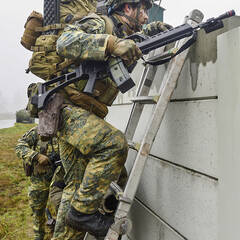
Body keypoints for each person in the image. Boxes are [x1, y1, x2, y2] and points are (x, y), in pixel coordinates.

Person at [53, 0, 171, 238]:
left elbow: (136, 39)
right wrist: (111, 44)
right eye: (144, 11)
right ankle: (82, 214)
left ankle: (70, 226)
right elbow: (64, 42)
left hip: (83, 113)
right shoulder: (99, 24)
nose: (146, 17)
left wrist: (155, 29)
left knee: (76, 189)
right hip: (66, 109)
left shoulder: (123, 33)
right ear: (128, 8)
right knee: (114, 144)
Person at [15, 126, 60, 240]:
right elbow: (19, 147)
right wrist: (37, 156)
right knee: (38, 212)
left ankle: (59, 233)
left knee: (63, 208)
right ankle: (39, 236)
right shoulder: (38, 131)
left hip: (61, 181)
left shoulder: (67, 131)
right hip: (40, 180)